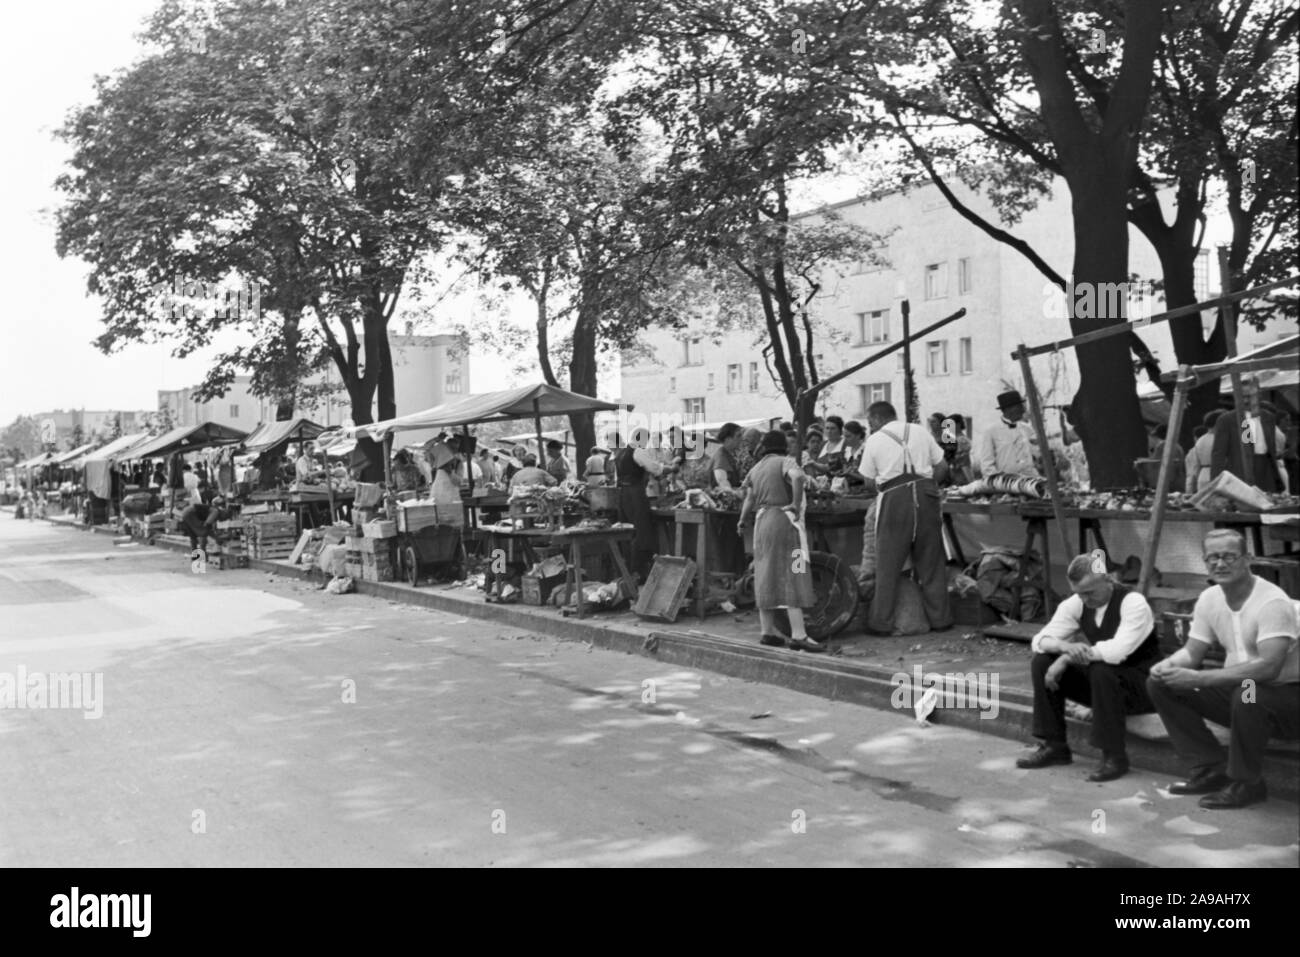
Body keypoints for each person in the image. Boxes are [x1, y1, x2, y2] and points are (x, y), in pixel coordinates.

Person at [1146, 529, 1299, 809]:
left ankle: (1247, 782)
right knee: (1161, 683)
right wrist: (1167, 666)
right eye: (1212, 557)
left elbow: (1268, 668)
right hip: (1243, 695)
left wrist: (1200, 678)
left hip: (1287, 699)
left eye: (1229, 556)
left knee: (1248, 691)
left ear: (1247, 558)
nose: (1220, 564)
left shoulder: (1272, 602)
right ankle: (1211, 767)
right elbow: (1192, 652)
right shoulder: (1210, 598)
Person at [1016, 554, 1161, 781]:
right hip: (1104, 688)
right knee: (1043, 662)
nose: (1084, 599)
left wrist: (1066, 658)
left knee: (1101, 669)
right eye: (1079, 593)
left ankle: (1114, 756)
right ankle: (1054, 746)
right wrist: (1063, 646)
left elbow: (1116, 652)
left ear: (1108, 580)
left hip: (1143, 687)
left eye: (1090, 592)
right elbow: (1040, 641)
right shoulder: (1078, 603)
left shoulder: (1133, 603)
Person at [858, 401, 952, 635]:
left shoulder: (875, 440)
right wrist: (929, 488)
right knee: (931, 561)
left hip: (893, 497)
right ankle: (941, 620)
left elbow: (868, 481)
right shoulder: (920, 431)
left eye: (870, 423)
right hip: (927, 493)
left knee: (887, 563)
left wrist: (887, 487)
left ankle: (881, 623)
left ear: (878, 419)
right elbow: (942, 467)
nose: (870, 427)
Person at [736, 430, 822, 652]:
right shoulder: (786, 461)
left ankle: (767, 632)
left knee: (766, 573)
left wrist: (742, 521)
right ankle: (799, 635)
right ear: (784, 446)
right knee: (795, 571)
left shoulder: (756, 468)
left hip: (762, 525)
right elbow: (798, 477)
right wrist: (794, 502)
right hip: (785, 525)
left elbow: (750, 498)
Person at [614, 429, 678, 579]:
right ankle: (639, 571)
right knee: (641, 531)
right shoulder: (638, 451)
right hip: (635, 493)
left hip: (623, 494)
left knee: (628, 530)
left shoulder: (621, 453)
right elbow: (655, 468)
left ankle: (629, 570)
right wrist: (672, 468)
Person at [1210, 378, 1284, 492]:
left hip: (1266, 471)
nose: (1245, 401)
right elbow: (1218, 455)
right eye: (1242, 397)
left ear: (1259, 395)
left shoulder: (1269, 417)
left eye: (1249, 396)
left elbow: (1272, 450)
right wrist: (1215, 484)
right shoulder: (1227, 420)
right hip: (1240, 472)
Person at [975, 390, 1039, 479]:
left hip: (1030, 479)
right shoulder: (991, 431)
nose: (1023, 410)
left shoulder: (1027, 428)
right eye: (1020, 406)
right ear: (1008, 409)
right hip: (1007, 483)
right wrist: (998, 483)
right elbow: (987, 465)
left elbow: (1036, 453)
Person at [1149, 424, 1186, 491]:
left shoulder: (1161, 446)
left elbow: (1154, 463)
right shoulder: (1177, 446)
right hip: (1179, 479)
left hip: (1166, 481)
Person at [709, 422, 743, 490]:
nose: (741, 439)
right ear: (728, 439)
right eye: (738, 436)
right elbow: (722, 482)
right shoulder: (721, 456)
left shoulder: (731, 454)